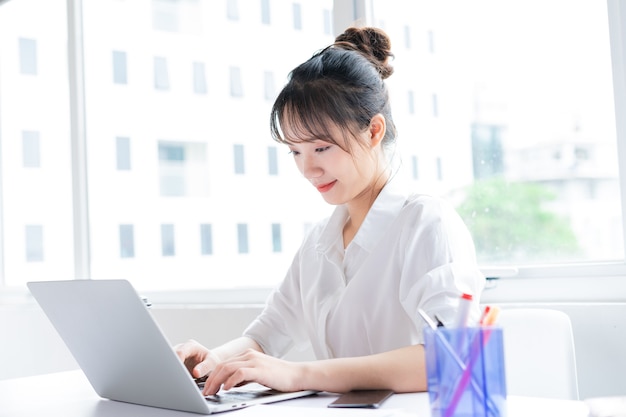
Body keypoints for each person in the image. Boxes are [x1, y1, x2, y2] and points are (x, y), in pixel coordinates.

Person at [175, 26, 485, 395]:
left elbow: (453, 360)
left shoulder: (425, 222)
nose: (308, 169)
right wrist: (211, 362)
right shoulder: (320, 242)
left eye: (321, 148)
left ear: (373, 131)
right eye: (295, 152)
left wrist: (299, 374)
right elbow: (267, 336)